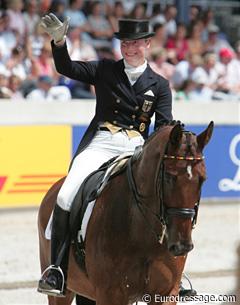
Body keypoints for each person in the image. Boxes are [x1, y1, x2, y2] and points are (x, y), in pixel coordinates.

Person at [37, 13, 195, 298]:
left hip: (137, 147)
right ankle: (57, 270)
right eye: (125, 43)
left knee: (167, 196)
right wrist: (59, 41)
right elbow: (66, 67)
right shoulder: (106, 70)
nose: (129, 49)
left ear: (147, 43)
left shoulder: (159, 85)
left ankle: (175, 273)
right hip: (102, 143)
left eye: (135, 43)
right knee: (65, 195)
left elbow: (163, 127)